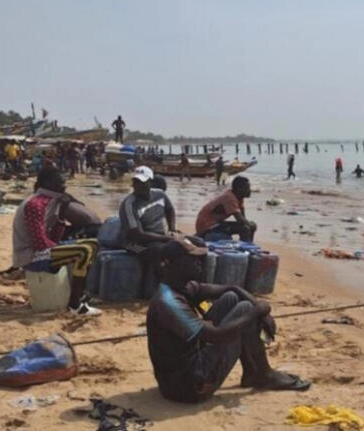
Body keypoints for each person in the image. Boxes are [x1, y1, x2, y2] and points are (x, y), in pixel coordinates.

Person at [146, 241, 310, 403]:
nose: (199, 263)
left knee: (231, 299)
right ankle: (263, 374)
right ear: (170, 264)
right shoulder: (168, 302)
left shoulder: (184, 287)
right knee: (245, 310)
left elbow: (232, 288)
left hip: (184, 372)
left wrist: (262, 311)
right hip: (188, 387)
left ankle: (253, 372)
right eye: (191, 259)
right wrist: (257, 310)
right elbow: (219, 336)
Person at [12, 167, 100, 315]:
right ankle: (75, 305)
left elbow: (56, 234)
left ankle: (80, 294)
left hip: (42, 250)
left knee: (93, 243)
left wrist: (63, 209)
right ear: (48, 183)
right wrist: (61, 247)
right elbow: (39, 243)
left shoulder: (51, 201)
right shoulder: (35, 204)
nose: (64, 186)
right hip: (31, 256)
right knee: (83, 251)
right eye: (60, 183)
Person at [120, 166, 178, 260]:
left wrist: (172, 229)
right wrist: (166, 238)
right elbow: (138, 235)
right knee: (157, 252)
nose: (137, 185)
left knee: (195, 242)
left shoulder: (160, 194)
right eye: (136, 181)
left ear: (150, 182)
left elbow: (170, 209)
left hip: (159, 237)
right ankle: (150, 274)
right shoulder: (129, 204)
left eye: (142, 182)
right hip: (133, 245)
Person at [195, 176, 256, 242]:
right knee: (245, 228)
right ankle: (246, 247)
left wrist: (250, 225)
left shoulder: (239, 198)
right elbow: (240, 220)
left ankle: (249, 245)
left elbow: (243, 218)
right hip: (207, 225)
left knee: (249, 226)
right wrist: (249, 225)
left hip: (216, 223)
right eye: (247, 188)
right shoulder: (229, 198)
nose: (250, 190)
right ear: (239, 189)